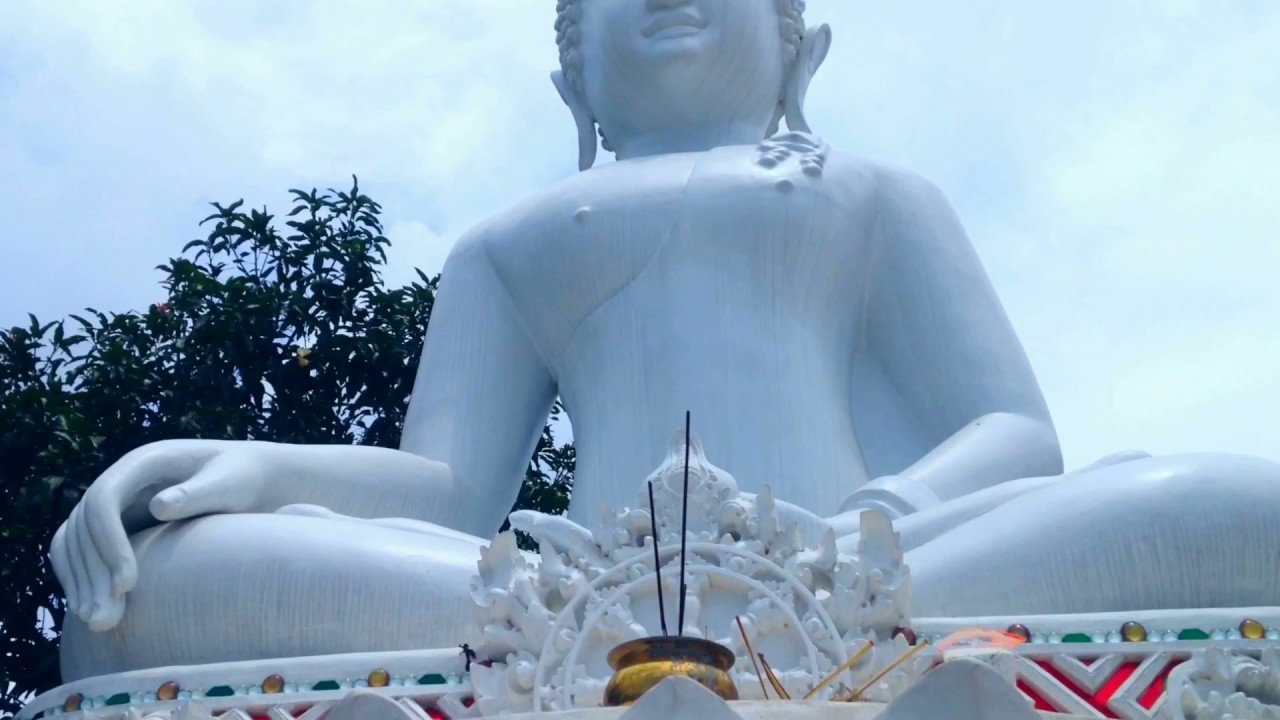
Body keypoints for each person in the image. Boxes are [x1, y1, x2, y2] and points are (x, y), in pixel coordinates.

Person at [52, 0, 1280, 681]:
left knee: (1222, 506)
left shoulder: (865, 191)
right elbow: (446, 495)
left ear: (798, 45)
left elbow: (1016, 437)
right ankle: (622, 654)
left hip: (879, 566)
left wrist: (876, 524)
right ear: (569, 76)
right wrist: (259, 470)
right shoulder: (511, 239)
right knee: (145, 593)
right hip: (561, 602)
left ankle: (839, 630)